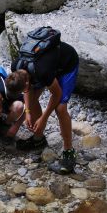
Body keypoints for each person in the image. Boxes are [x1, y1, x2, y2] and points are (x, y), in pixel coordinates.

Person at [12, 38, 79, 174]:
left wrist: (44, 118)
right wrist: (28, 111)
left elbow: (56, 94)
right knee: (31, 100)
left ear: (27, 82)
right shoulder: (16, 67)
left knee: (60, 108)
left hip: (67, 64)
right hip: (47, 67)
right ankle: (38, 139)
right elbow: (27, 91)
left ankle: (69, 153)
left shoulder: (42, 71)